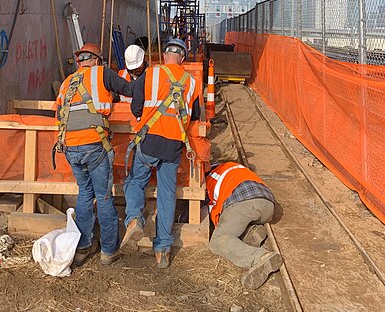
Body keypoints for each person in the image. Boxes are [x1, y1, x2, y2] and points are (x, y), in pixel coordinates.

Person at [120, 38, 200, 269]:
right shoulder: (192, 83)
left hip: (149, 140)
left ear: (164, 55)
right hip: (174, 145)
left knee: (135, 181)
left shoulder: (151, 74)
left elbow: (136, 107)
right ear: (182, 58)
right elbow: (194, 116)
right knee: (167, 194)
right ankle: (162, 250)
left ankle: (134, 218)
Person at [54, 43, 133, 267]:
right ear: (97, 61)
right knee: (104, 196)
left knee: (85, 194)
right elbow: (129, 90)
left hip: (70, 147)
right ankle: (108, 250)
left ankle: (83, 246)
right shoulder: (102, 74)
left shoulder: (67, 83)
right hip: (94, 145)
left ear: (79, 63)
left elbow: (59, 114)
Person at [206, 161, 283, 290]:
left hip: (243, 203)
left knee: (218, 240)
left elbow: (213, 213)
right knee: (240, 221)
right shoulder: (232, 167)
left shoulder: (209, 178)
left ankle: (260, 257)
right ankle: (251, 231)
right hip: (268, 206)